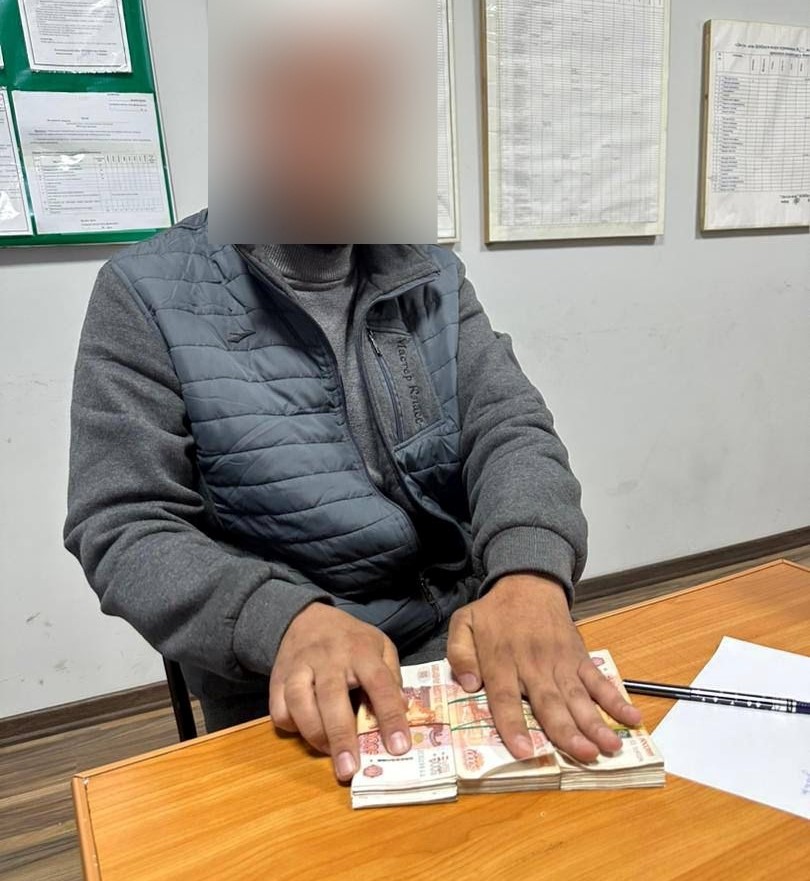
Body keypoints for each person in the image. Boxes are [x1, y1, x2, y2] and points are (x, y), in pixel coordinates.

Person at [64, 8, 641, 784]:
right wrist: (280, 619)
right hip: (286, 664)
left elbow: (509, 426)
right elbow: (123, 523)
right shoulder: (143, 294)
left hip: (454, 635)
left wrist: (529, 570)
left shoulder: (429, 272)